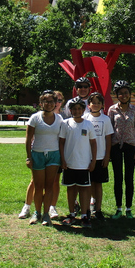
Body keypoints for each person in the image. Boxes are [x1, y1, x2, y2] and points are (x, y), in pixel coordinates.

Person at [19, 91, 65, 220]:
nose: (49, 104)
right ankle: (37, 212)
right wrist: (29, 157)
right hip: (38, 154)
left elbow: (61, 139)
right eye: (46, 101)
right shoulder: (35, 118)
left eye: (51, 101)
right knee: (38, 186)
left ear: (55, 103)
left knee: (50, 186)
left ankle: (46, 214)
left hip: (54, 155)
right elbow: (28, 139)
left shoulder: (59, 119)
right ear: (41, 103)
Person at [58, 97, 97, 227]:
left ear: (83, 109)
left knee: (84, 189)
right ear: (70, 110)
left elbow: (93, 144)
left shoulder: (88, 124)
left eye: (79, 108)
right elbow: (61, 142)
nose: (76, 111)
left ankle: (85, 215)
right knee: (71, 189)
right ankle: (72, 214)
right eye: (74, 109)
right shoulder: (65, 123)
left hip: (84, 163)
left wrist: (93, 161)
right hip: (69, 163)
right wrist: (62, 159)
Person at [107, 80, 135, 219]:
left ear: (129, 94)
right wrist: (108, 150)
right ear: (117, 95)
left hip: (130, 146)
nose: (123, 95)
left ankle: (129, 208)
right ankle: (118, 208)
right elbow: (109, 130)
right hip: (115, 147)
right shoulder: (112, 110)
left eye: (126, 93)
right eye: (120, 93)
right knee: (118, 178)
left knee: (129, 178)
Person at [84, 92, 113, 220]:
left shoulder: (106, 119)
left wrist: (107, 156)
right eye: (93, 102)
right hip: (87, 157)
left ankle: (98, 209)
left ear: (102, 105)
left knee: (98, 184)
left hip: (101, 157)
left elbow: (108, 139)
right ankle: (88, 209)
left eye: (98, 103)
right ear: (89, 105)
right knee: (88, 184)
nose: (95, 105)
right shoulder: (84, 118)